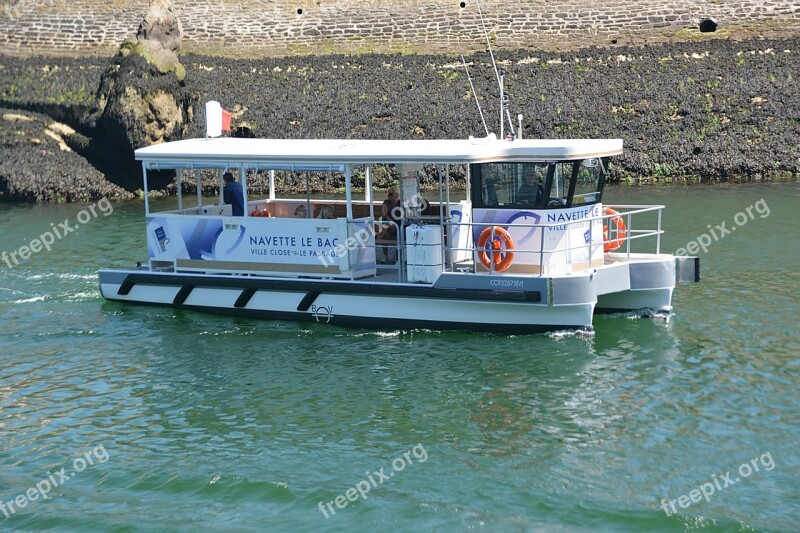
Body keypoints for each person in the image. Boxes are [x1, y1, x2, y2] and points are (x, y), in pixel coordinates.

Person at [376, 187, 402, 263]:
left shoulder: (401, 203)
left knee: (386, 225)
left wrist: (391, 222)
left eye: (391, 194)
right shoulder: (386, 202)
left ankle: (377, 240)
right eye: (388, 194)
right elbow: (384, 214)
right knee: (385, 234)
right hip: (387, 224)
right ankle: (385, 256)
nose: (389, 196)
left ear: (396, 195)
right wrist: (389, 221)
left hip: (397, 225)